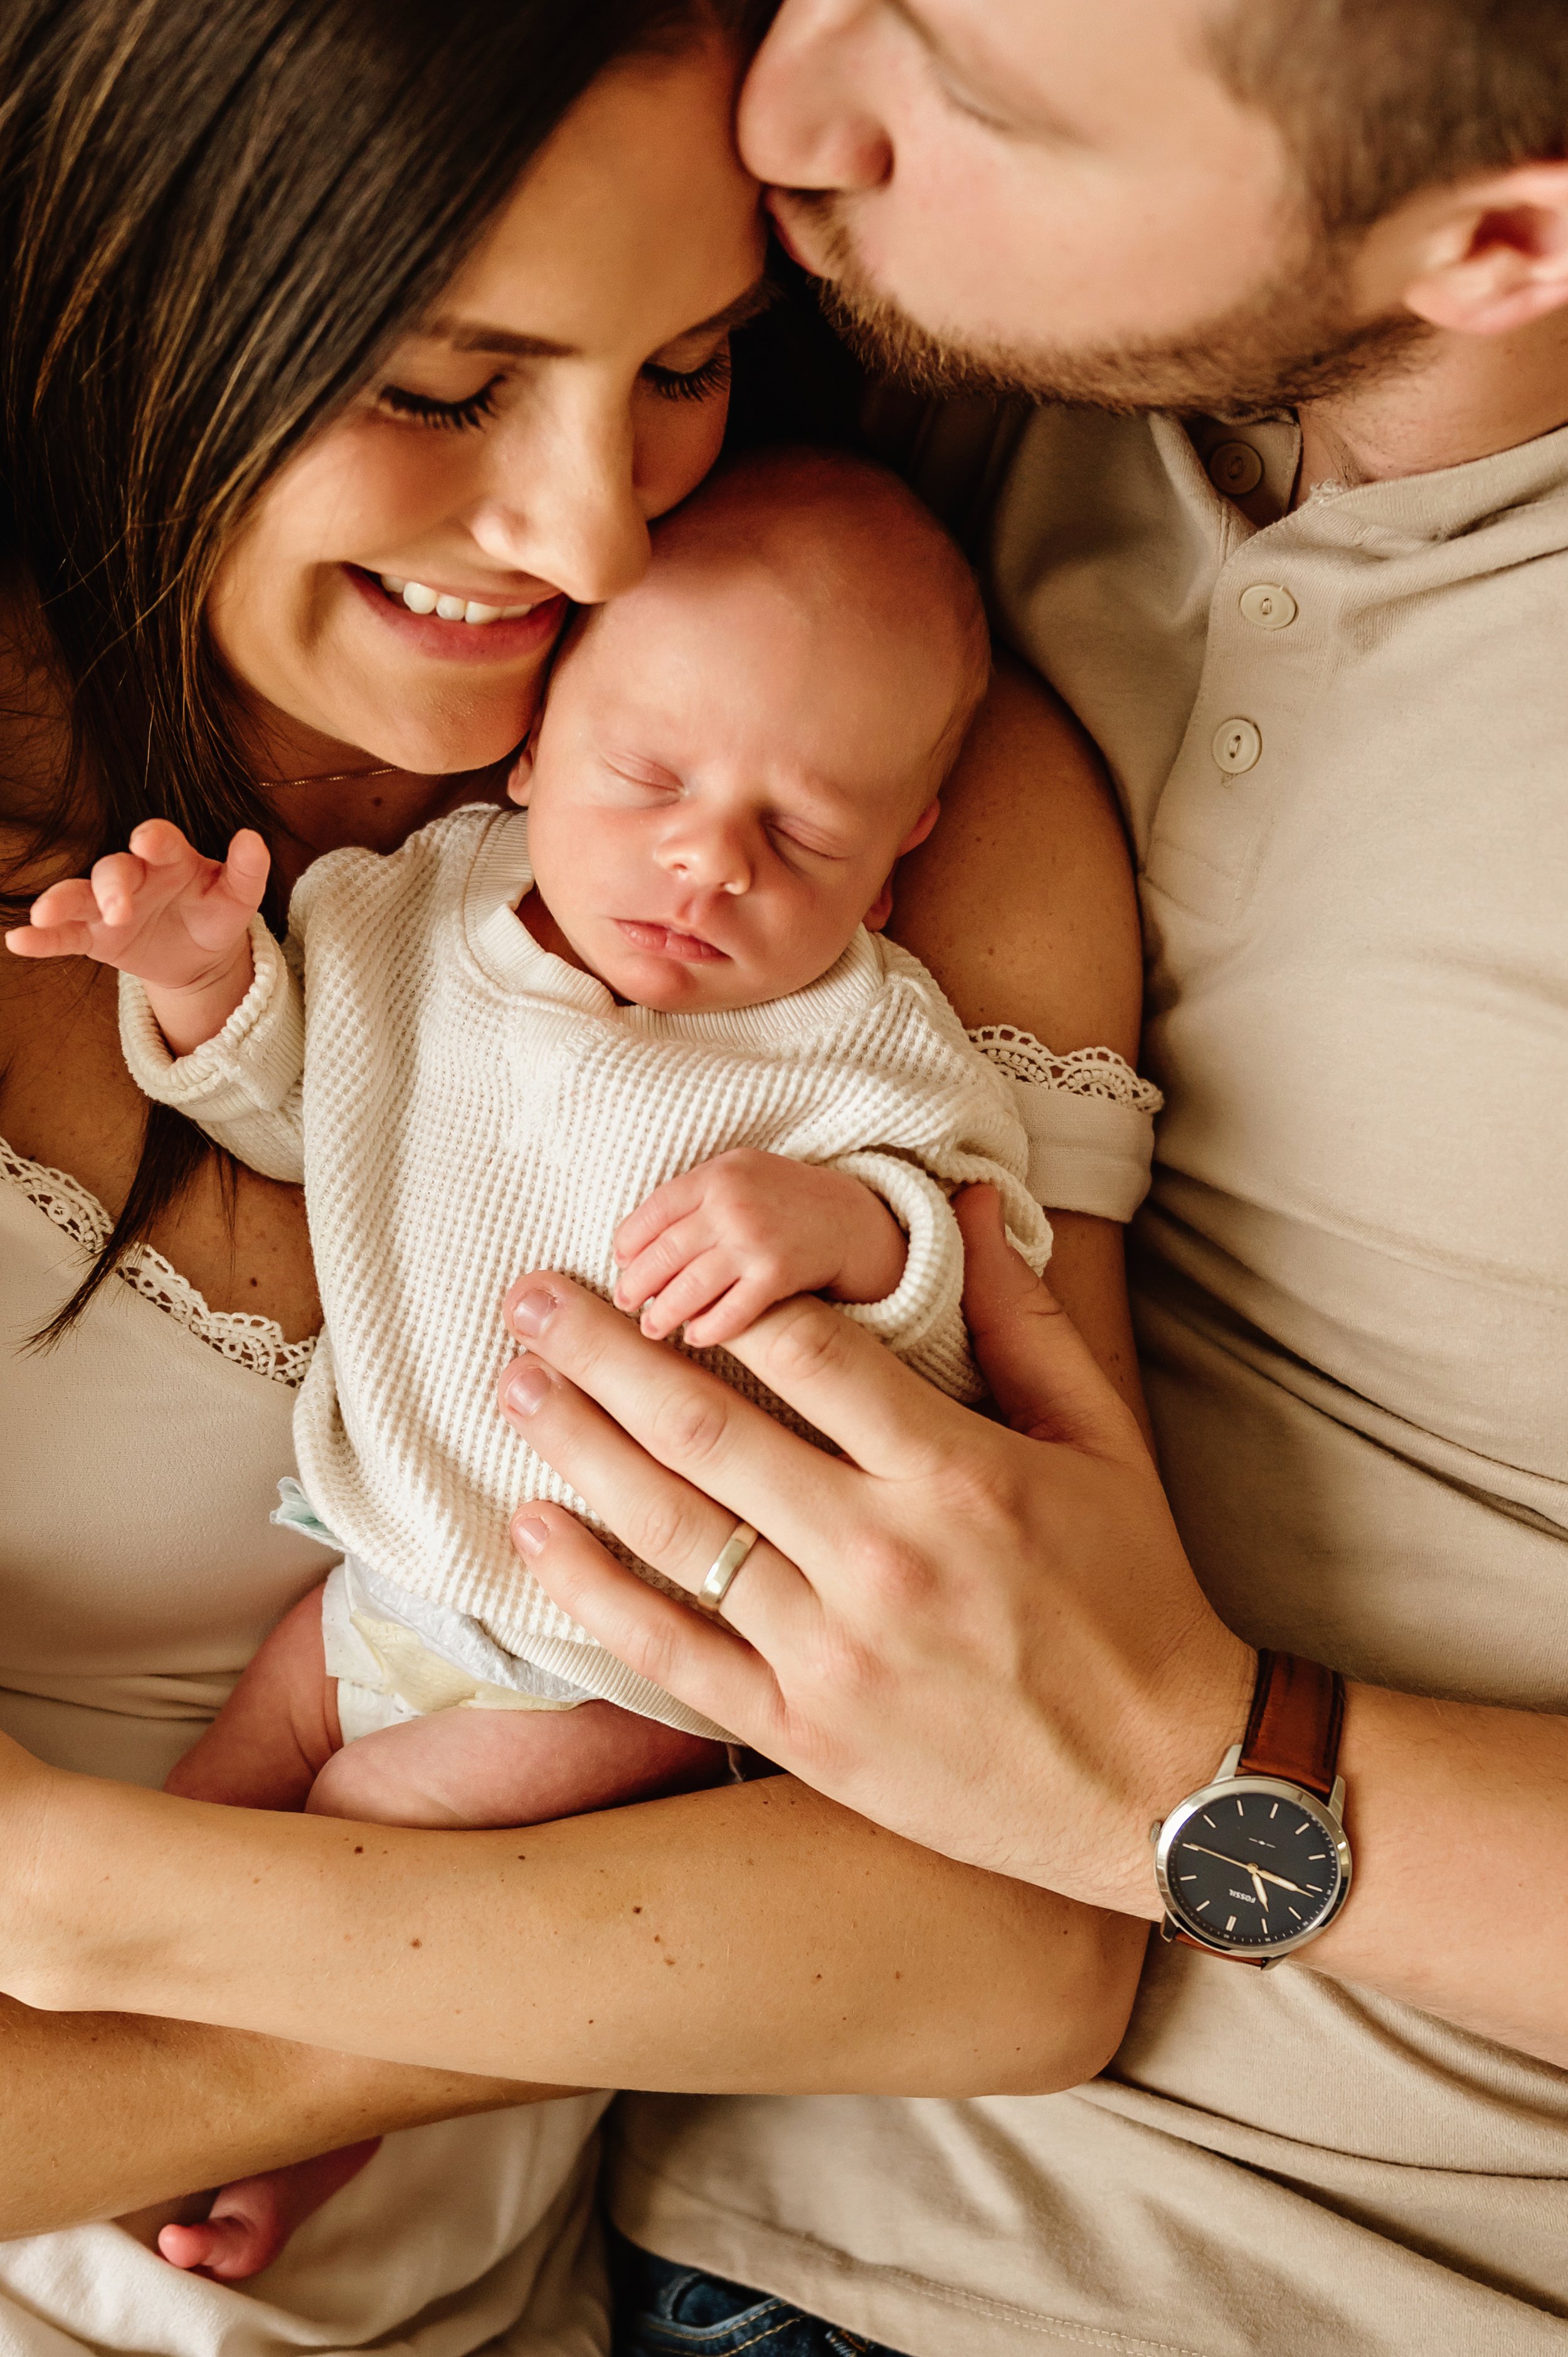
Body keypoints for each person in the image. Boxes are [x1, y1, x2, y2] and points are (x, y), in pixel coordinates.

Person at [4, 1, 1564, 2353]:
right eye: (445, 385)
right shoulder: (949, 452)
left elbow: (1021, 1905)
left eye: (692, 361)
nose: (593, 529)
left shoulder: (873, 715)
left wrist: (115, 1930)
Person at [9, 446, 1076, 2277]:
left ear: (905, 851)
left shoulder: (853, 1051)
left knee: (358, 1853)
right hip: (393, 1552)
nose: (707, 863)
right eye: (648, 780)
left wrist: (833, 1231)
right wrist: (197, 977)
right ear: (533, 742)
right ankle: (113, 2078)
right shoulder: (408, 925)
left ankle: (276, 2146)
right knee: (238, 1780)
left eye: (806, 833)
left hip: (617, 1647)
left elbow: (969, 1255)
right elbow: (289, 1104)